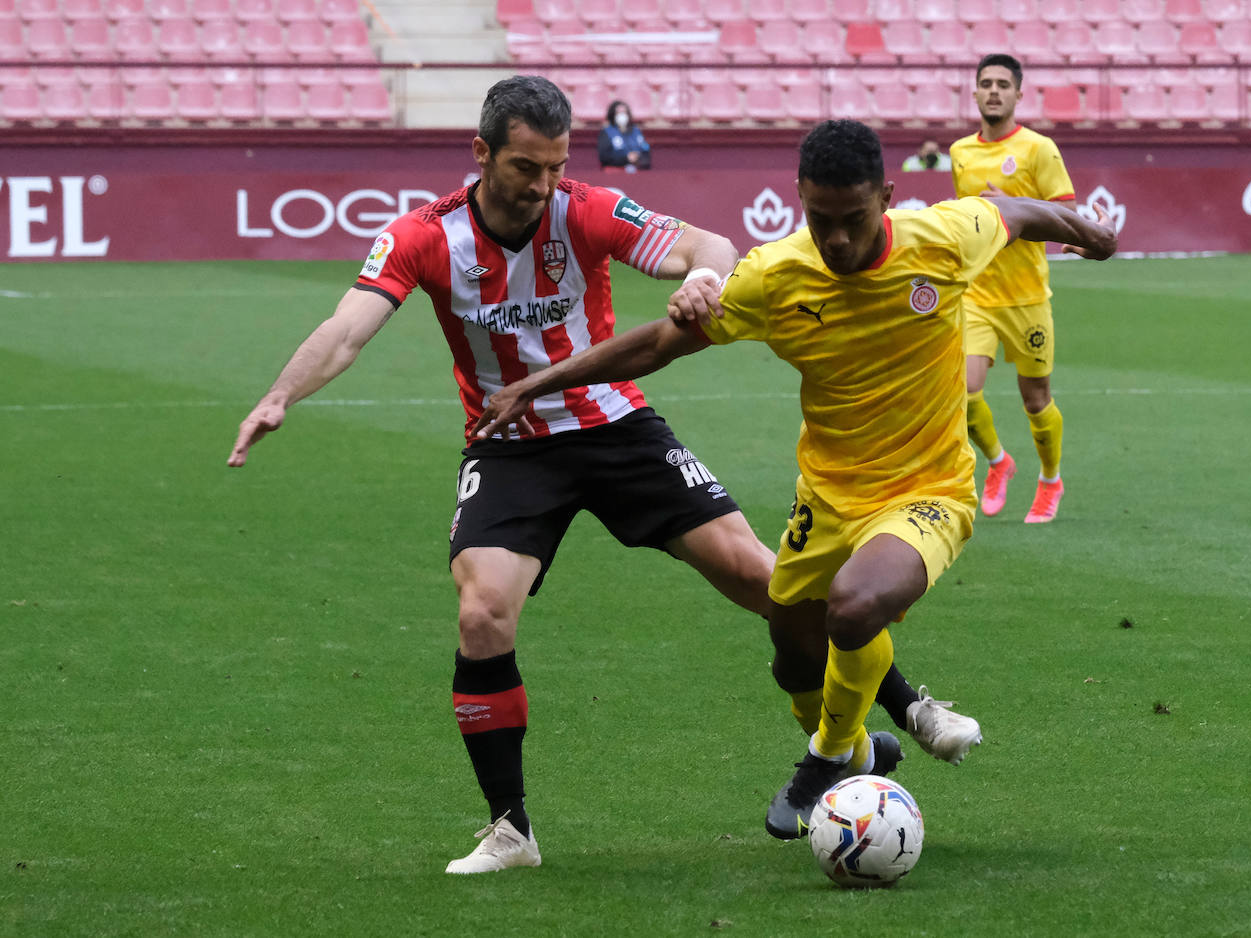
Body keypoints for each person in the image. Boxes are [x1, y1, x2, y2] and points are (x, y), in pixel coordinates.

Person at [227, 78, 929, 875]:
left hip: (615, 425)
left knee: (769, 582)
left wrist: (703, 276)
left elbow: (709, 247)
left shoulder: (585, 207)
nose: (544, 186)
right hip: (511, 446)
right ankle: (511, 831)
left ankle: (896, 709)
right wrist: (282, 394)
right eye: (527, 168)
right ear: (482, 154)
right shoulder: (424, 235)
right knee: (483, 612)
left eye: (557, 166)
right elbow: (347, 328)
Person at [472, 119, 1118, 840]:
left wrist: (1084, 227)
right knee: (793, 655)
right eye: (821, 220)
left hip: (929, 489)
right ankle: (873, 739)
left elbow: (1017, 211)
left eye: (854, 219)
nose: (837, 239)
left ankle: (830, 756)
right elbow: (658, 344)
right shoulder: (774, 276)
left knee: (854, 606)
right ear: (798, 200)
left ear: (888, 198)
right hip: (828, 496)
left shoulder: (942, 237)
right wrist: (542, 382)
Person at [950, 53, 1079, 523]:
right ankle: (999, 463)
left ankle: (1050, 481)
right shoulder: (961, 152)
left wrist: (1015, 208)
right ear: (975, 91)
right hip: (977, 294)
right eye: (986, 83)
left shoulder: (1038, 149)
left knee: (1035, 399)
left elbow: (1067, 216)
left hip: (1026, 298)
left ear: (1018, 94)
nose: (994, 91)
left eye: (1003, 84)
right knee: (961, 393)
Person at [597, 100, 651, 172]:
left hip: (636, 170)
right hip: (615, 171)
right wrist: (626, 159)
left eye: (624, 112)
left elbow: (646, 149)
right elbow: (604, 157)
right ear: (613, 114)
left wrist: (637, 157)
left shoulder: (636, 131)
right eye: (619, 113)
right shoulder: (606, 132)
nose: (622, 115)